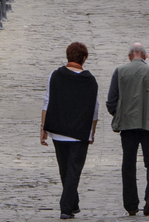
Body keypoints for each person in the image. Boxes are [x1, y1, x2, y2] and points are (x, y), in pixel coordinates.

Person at [106, 43, 149, 217]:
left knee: (128, 164)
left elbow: (111, 101)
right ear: (145, 56)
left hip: (128, 125)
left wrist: (119, 114)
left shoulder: (120, 72)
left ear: (129, 56)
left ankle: (131, 205)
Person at [41, 42, 99, 220]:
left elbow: (47, 102)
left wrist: (43, 128)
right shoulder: (90, 80)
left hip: (58, 130)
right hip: (80, 132)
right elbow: (94, 109)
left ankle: (73, 204)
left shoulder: (55, 75)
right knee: (74, 170)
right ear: (83, 58)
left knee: (65, 169)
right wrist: (92, 132)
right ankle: (66, 208)